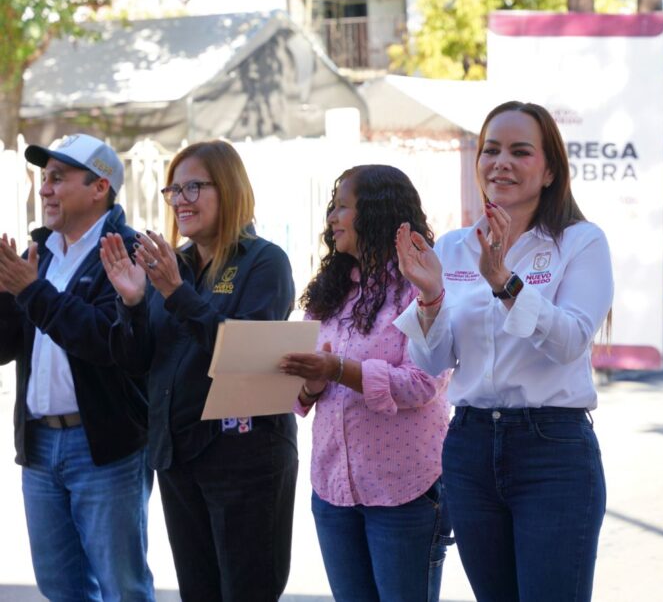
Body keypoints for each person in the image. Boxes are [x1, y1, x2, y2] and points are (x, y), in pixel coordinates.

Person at [393, 101, 613, 602]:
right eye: (491, 150)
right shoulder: (451, 247)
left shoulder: (580, 243)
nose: (501, 163)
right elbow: (432, 363)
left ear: (550, 168)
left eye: (520, 151)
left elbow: (571, 342)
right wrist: (429, 297)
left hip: (552, 449)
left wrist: (505, 283)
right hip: (469, 445)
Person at [100, 139, 298, 601]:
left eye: (194, 187)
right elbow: (136, 363)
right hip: (178, 455)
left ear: (228, 189)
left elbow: (251, 355)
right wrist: (131, 303)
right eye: (174, 190)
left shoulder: (264, 261)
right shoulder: (176, 262)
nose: (182, 200)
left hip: (245, 458)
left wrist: (176, 293)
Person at [279, 164, 452, 602]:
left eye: (342, 208)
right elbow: (304, 391)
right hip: (333, 488)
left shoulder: (422, 286)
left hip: (404, 490)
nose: (332, 219)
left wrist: (338, 370)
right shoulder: (330, 290)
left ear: (375, 213)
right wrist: (311, 382)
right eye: (331, 209)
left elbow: (421, 384)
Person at [0, 134, 154, 602]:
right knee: (59, 587)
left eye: (58, 178)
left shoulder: (128, 251)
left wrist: (31, 292)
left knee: (122, 587)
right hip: (40, 447)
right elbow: (7, 347)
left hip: (103, 448)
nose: (45, 189)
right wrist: (7, 297)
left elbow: (106, 342)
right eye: (44, 178)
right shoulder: (40, 251)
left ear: (99, 187)